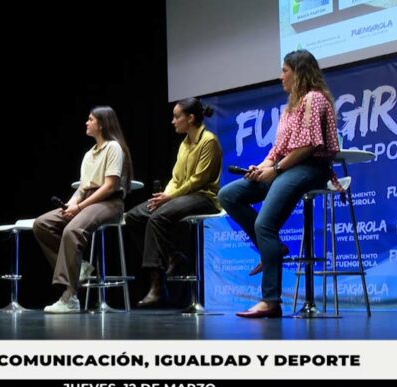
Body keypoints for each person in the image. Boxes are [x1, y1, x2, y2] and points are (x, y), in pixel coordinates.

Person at [218, 49, 340, 318]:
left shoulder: (314, 99)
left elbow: (309, 146)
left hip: (310, 167)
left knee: (265, 225)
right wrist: (261, 167)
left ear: (299, 73)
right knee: (228, 195)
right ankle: (271, 248)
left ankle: (270, 301)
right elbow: (277, 149)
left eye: (285, 71)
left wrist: (275, 170)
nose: (281, 76)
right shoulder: (290, 107)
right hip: (284, 167)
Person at [33, 106, 133, 313]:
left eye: (90, 119)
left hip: (109, 203)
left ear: (102, 124)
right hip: (88, 201)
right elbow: (82, 188)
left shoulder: (113, 147)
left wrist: (79, 207)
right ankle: (81, 267)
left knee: (72, 230)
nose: (86, 123)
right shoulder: (89, 154)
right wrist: (70, 205)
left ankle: (70, 297)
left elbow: (110, 186)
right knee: (42, 224)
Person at [125, 98, 222, 308]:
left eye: (177, 117)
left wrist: (170, 197)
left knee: (157, 218)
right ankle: (171, 256)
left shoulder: (209, 141)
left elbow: (199, 180)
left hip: (204, 197)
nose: (173, 121)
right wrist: (164, 196)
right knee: (134, 216)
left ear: (191, 118)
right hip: (181, 196)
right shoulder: (184, 144)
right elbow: (176, 179)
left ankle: (157, 286)